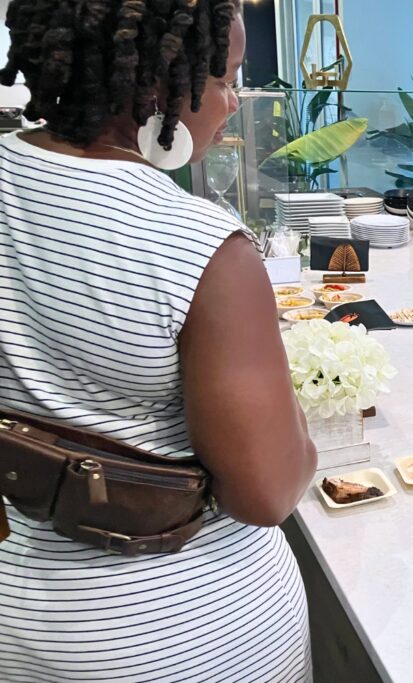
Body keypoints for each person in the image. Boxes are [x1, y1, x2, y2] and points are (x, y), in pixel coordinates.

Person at [0, 0, 318, 679]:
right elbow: (267, 491)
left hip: (26, 614)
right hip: (191, 633)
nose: (233, 103)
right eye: (225, 78)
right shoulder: (197, 244)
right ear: (158, 81)